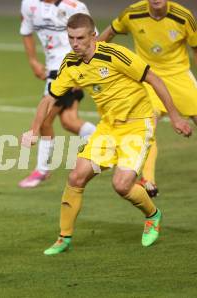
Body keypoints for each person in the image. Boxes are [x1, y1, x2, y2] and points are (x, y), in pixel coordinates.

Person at [22, 13, 192, 255]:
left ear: (93, 35)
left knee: (121, 185)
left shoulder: (114, 55)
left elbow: (153, 79)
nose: (75, 43)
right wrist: (34, 130)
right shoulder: (70, 63)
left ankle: (153, 215)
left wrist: (175, 116)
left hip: (137, 124)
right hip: (108, 127)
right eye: (70, 38)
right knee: (76, 177)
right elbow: (49, 98)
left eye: (80, 38)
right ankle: (63, 238)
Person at [98, 0, 197, 197]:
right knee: (147, 126)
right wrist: (91, 56)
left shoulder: (184, 17)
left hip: (179, 76)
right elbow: (109, 32)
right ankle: (148, 180)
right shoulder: (132, 13)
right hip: (148, 77)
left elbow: (196, 48)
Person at [18, 0, 97, 188]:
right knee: (69, 121)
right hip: (53, 67)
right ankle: (105, 142)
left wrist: (82, 70)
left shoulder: (75, 6)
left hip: (67, 69)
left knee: (45, 121)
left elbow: (95, 38)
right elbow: (26, 31)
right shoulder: (28, 5)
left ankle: (42, 170)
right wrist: (33, 61)